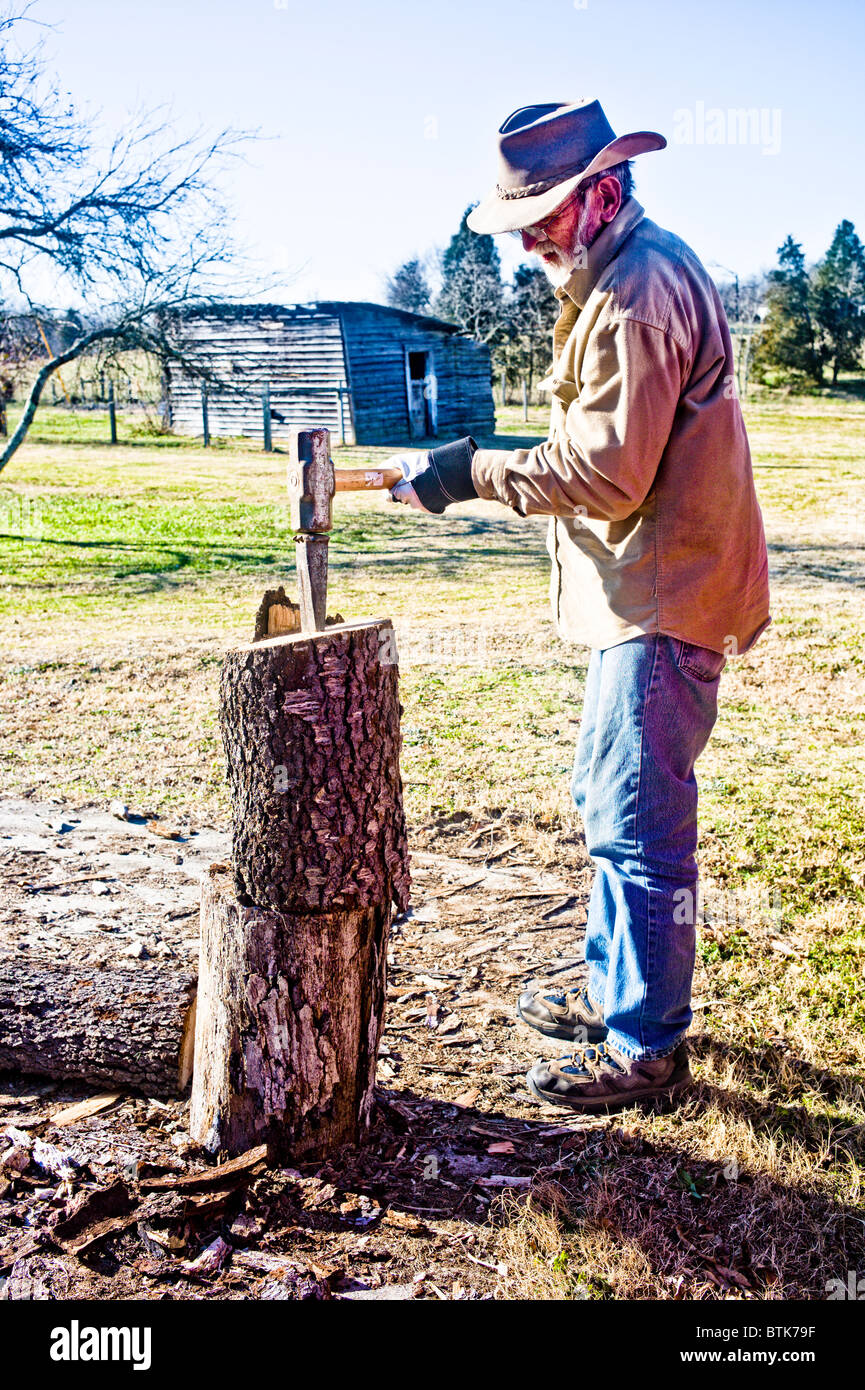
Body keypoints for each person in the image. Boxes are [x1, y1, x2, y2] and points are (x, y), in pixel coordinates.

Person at [387, 100, 770, 1112]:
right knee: (613, 804)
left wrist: (469, 472)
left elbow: (606, 471)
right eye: (520, 222)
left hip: (663, 595)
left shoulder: (637, 290)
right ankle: (615, 995)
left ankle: (644, 1042)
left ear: (602, 191)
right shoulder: (620, 272)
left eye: (542, 216)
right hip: (645, 591)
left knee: (639, 825)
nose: (528, 243)